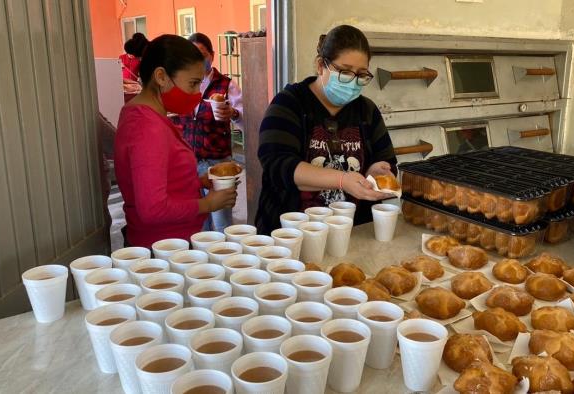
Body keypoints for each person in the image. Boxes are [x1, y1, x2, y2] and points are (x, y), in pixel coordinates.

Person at [255, 25, 397, 234]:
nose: (353, 82)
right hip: (289, 236)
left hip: (350, 233)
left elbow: (388, 162)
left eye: (361, 75)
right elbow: (278, 165)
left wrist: (375, 174)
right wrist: (341, 180)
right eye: (345, 72)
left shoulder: (366, 111)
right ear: (321, 65)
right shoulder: (289, 104)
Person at [114, 34, 237, 248]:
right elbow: (152, 209)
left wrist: (197, 181)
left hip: (170, 243)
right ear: (161, 76)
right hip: (164, 249)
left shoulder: (149, 116)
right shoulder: (147, 128)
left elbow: (157, 179)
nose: (197, 93)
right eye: (193, 84)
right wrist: (206, 204)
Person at [172, 32, 244, 232]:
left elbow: (246, 119)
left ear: (212, 55)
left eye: (202, 54)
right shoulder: (181, 86)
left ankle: (225, 261)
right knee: (198, 223)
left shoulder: (226, 84)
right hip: (189, 164)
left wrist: (233, 112)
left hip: (218, 164)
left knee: (222, 225)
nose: (198, 60)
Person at [119, 33, 148, 103]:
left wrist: (138, 83)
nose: (132, 56)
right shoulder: (121, 58)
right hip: (128, 86)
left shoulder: (142, 58)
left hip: (137, 86)